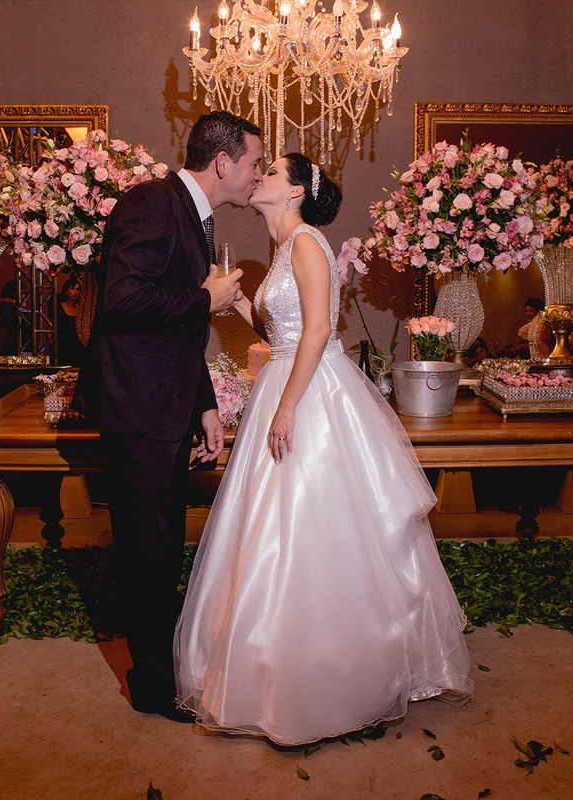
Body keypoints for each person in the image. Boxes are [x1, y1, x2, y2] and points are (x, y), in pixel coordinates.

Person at [174, 153, 473, 746]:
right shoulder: (285, 249)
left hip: (310, 395)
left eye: (273, 171)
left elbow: (316, 331)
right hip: (285, 382)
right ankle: (275, 667)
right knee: (269, 530)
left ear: (294, 194)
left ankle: (331, 673)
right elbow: (279, 333)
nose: (258, 176)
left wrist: (287, 406)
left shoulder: (309, 242)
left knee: (314, 524)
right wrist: (234, 302)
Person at [71, 111, 259, 722]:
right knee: (146, 550)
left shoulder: (191, 213)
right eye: (254, 163)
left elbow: (176, 333)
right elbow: (123, 301)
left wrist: (203, 404)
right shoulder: (151, 203)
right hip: (137, 406)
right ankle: (151, 688)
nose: (256, 174)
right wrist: (211, 297)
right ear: (223, 162)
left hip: (167, 402)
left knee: (159, 547)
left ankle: (163, 671)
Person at [54, 274, 86, 365]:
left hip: (78, 346)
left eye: (78, 289)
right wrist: (55, 345)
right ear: (66, 291)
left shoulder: (81, 309)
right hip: (63, 346)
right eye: (72, 289)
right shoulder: (59, 307)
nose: (75, 292)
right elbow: (51, 326)